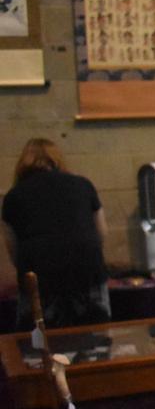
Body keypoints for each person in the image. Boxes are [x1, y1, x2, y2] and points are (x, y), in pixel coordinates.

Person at [2, 138, 112, 329]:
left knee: (40, 341)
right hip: (86, 271)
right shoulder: (83, 185)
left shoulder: (14, 196)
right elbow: (101, 232)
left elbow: (13, 248)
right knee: (95, 333)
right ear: (57, 160)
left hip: (40, 275)